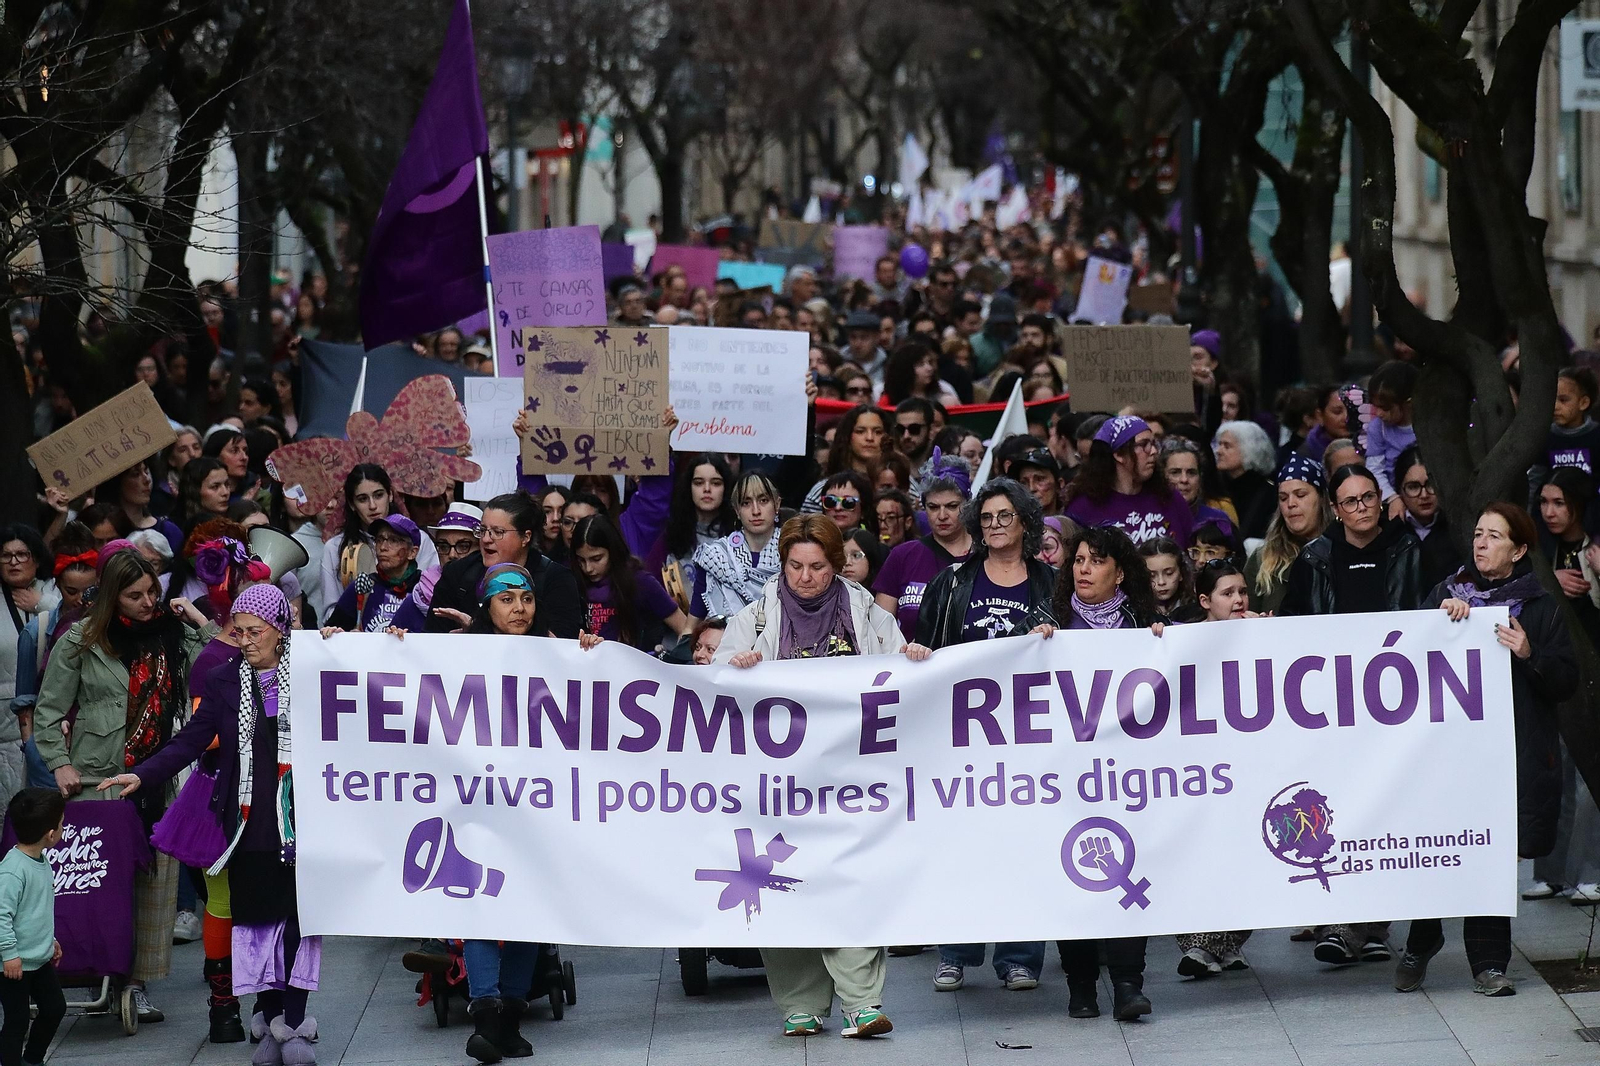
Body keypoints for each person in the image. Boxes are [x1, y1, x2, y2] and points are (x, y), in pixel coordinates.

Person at [98, 584, 327, 1061]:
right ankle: (269, 1022)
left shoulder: (314, 668)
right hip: (245, 823)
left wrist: (384, 640)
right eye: (236, 631)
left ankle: (297, 1023)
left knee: (298, 923)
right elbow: (190, 741)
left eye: (254, 631)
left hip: (304, 820)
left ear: (280, 631)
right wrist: (142, 774)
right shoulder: (223, 680)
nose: (244, 640)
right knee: (257, 924)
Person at [716, 516, 916, 1038]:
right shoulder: (756, 617)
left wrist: (913, 658)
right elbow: (714, 682)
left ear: (838, 565)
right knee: (782, 881)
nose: (806, 578)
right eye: (796, 567)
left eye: (818, 567)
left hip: (854, 777)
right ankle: (800, 1004)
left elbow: (900, 673)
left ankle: (862, 1003)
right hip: (781, 783)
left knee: (852, 879)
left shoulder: (868, 613)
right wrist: (736, 666)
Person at [1394, 503, 1577, 997]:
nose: (1481, 543)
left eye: (1494, 536)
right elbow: (1407, 658)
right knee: (1433, 847)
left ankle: (1489, 965)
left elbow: (1565, 681)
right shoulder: (1445, 594)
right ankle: (1422, 938)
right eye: (1477, 533)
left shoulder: (1539, 607)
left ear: (1518, 550)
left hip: (1507, 756)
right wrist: (1440, 623)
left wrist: (1528, 653)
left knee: (1491, 856)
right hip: (1445, 756)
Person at [33, 551, 217, 1023]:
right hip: (97, 779)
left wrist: (196, 619)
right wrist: (59, 765)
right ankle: (99, 971)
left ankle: (136, 983)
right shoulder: (80, 639)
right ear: (114, 594)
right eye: (134, 595)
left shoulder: (171, 635)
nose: (146, 602)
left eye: (152, 592)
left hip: (157, 774)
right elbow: (48, 712)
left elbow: (223, 663)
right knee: (103, 883)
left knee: (154, 881)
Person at [913, 479, 1056, 991]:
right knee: (960, 845)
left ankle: (1020, 957)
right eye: (988, 517)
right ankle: (955, 951)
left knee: (1024, 844)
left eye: (1005, 516)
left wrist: (1053, 641)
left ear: (1024, 522)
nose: (995, 525)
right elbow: (926, 645)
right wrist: (916, 655)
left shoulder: (1049, 583)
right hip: (961, 736)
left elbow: (1078, 652)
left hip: (1030, 736)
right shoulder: (951, 582)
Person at [1050, 525, 1163, 1020]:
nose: (1083, 569)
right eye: (1077, 560)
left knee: (1127, 870)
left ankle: (1126, 985)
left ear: (1119, 574)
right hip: (1062, 780)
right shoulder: (1048, 624)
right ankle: (1080, 986)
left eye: (1096, 561)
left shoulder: (1147, 626)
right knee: (1069, 876)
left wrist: (1166, 645)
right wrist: (1031, 649)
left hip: (1127, 778)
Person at [427, 493, 582, 639]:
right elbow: (432, 639)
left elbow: (563, 647)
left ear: (525, 537)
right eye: (482, 530)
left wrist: (475, 629)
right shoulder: (457, 574)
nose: (486, 539)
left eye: (498, 532)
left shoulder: (556, 580)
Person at [0, 788, 67, 1066]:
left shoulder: (40, 859)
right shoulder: (13, 870)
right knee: (17, 1022)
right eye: (62, 824)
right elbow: (1, 915)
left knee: (54, 1008)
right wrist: (9, 954)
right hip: (13, 965)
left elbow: (34, 910)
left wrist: (49, 941)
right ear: (50, 834)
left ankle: (32, 1060)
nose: (63, 828)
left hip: (37, 958)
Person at [318, 464, 438, 617]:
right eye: (362, 499)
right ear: (351, 504)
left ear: (391, 495)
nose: (372, 506)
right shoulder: (334, 548)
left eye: (378, 495)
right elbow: (331, 612)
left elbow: (429, 598)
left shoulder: (419, 540)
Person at [1064, 416, 1195, 545]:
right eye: (1144, 445)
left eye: (1154, 443)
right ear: (1119, 454)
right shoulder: (1083, 508)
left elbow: (1191, 551)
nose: (1154, 451)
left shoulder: (1170, 498)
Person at [569, 515, 690, 653]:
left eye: (596, 559)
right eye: (581, 560)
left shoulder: (641, 582)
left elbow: (684, 629)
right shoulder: (573, 583)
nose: (588, 568)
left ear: (613, 552)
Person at [1244, 456, 1331, 614]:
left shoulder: (1343, 552)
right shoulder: (1260, 559)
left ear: (1321, 499)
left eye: (1300, 495)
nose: (1291, 504)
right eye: (1283, 498)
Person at [654, 455, 736, 616]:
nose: (707, 489)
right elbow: (649, 587)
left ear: (726, 488)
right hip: (678, 634)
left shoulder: (739, 536)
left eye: (716, 483)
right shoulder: (669, 534)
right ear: (688, 487)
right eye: (699, 483)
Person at [695, 471, 782, 620]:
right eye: (746, 503)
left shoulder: (794, 553)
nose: (756, 511)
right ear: (737, 510)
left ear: (777, 504)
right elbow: (692, 624)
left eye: (763, 500)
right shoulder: (716, 557)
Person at [323, 515, 423, 633]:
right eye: (379, 540)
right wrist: (342, 634)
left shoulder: (424, 589)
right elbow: (331, 633)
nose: (383, 547)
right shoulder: (362, 586)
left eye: (394, 540)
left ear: (412, 552)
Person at [1394, 445, 1461, 589]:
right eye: (1413, 487)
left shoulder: (1457, 528)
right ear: (1400, 491)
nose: (1424, 495)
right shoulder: (1392, 531)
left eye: (1430, 484)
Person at [802, 406, 889, 512]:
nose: (870, 438)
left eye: (878, 432)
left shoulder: (904, 482)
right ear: (847, 436)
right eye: (860, 431)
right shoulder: (822, 490)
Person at [95, 462, 184, 556]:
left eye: (146, 471)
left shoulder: (168, 531)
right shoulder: (103, 533)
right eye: (136, 474)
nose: (147, 479)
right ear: (117, 482)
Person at [1365, 361, 1419, 518]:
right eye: (1376, 407)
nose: (1379, 414)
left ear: (1408, 403)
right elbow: (1374, 469)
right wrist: (1393, 498)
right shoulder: (1378, 429)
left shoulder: (1426, 428)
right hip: (1395, 501)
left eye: (1386, 408)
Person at [1212, 420, 1277, 540]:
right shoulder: (1214, 486)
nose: (1218, 451)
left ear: (1250, 450)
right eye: (1219, 444)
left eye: (1227, 446)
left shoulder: (1269, 493)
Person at [1139, 537, 1200, 622]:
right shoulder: (1134, 613)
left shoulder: (1199, 610)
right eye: (1152, 575)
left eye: (1169, 573)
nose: (1161, 582)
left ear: (1181, 573)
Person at [179, 457, 234, 533]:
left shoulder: (234, 521)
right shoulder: (176, 530)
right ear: (195, 490)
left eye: (227, 484)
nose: (225, 492)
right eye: (215, 487)